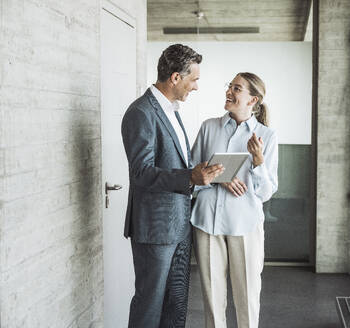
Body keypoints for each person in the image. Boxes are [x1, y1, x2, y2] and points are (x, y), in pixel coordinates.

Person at [121, 44, 224, 328]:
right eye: (194, 79)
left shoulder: (172, 111)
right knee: (150, 304)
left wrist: (198, 173)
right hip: (155, 229)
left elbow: (174, 163)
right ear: (176, 77)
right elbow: (140, 172)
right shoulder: (141, 112)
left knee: (175, 304)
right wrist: (189, 177)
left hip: (178, 223)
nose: (196, 87)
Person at [191, 72, 278, 328]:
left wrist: (259, 163)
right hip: (207, 223)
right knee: (212, 302)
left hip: (245, 225)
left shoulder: (267, 137)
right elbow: (191, 171)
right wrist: (220, 177)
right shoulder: (208, 127)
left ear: (253, 99)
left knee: (247, 299)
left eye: (237, 88)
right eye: (229, 86)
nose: (229, 91)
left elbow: (265, 192)